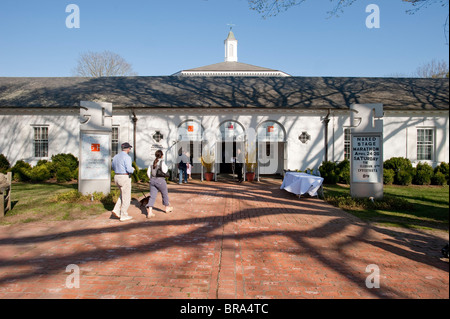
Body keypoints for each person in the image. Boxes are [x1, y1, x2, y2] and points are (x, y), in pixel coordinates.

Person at [146, 150, 173, 218]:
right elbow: (164, 170)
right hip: (160, 180)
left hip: (152, 180)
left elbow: (148, 172)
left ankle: (150, 210)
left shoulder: (151, 162)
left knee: (152, 196)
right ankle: (167, 208)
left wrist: (151, 178)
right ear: (161, 155)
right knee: (164, 194)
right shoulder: (162, 162)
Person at [111, 142, 135, 221]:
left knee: (122, 195)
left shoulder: (115, 157)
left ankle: (116, 209)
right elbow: (129, 169)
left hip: (117, 176)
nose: (130, 149)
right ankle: (124, 214)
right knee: (127, 197)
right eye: (129, 148)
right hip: (124, 177)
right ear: (128, 149)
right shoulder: (127, 157)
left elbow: (113, 167)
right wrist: (133, 170)